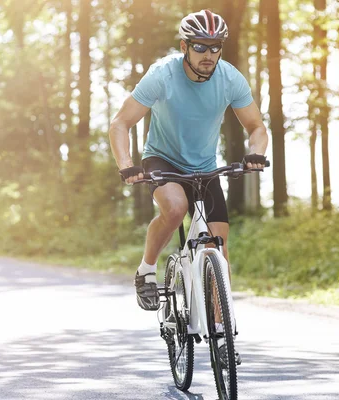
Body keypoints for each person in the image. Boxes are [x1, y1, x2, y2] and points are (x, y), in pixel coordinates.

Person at [108, 10, 268, 311]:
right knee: (176, 208)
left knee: (218, 248)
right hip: (163, 159)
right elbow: (120, 123)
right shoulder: (162, 75)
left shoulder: (230, 79)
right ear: (184, 47)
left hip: (206, 167)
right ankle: (146, 271)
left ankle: (222, 337)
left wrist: (255, 153)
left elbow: (257, 127)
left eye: (215, 46)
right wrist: (127, 165)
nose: (208, 54)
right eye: (199, 46)